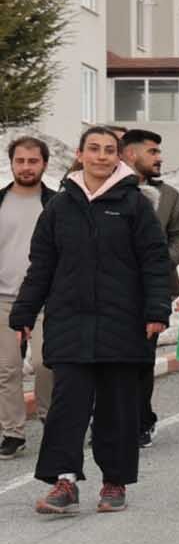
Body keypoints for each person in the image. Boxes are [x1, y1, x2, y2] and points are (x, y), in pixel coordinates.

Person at [13, 127, 172, 514]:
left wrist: (156, 310)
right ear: (80, 154)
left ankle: (114, 481)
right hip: (70, 322)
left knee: (117, 408)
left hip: (123, 323)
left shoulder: (134, 204)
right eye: (94, 149)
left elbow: (154, 261)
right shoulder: (58, 207)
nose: (101, 156)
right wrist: (25, 312)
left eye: (109, 150)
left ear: (119, 157)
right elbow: (41, 266)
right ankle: (64, 481)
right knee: (67, 406)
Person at [117, 129, 179, 448]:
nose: (159, 158)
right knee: (106, 360)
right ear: (130, 154)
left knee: (140, 359)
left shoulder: (169, 196)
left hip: (152, 291)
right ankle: (107, 420)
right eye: (152, 151)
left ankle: (140, 420)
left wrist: (158, 262)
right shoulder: (103, 191)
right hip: (107, 290)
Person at [0, 136, 55, 460]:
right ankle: (12, 432)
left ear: (44, 164)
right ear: (11, 163)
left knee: (44, 363)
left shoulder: (57, 203)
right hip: (4, 298)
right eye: (20, 161)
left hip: (47, 299)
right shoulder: (1, 202)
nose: (26, 167)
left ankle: (51, 420)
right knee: (7, 369)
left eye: (33, 161)